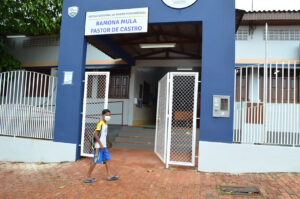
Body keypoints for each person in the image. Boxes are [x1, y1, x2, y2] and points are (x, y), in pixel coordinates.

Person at [84, 109, 118, 183]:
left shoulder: (106, 124)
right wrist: (101, 145)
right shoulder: (101, 123)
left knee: (107, 159)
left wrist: (105, 145)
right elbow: (96, 135)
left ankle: (109, 175)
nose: (108, 116)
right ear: (103, 115)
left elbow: (103, 136)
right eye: (106, 115)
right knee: (95, 161)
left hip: (103, 147)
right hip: (99, 146)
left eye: (109, 115)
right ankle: (88, 177)